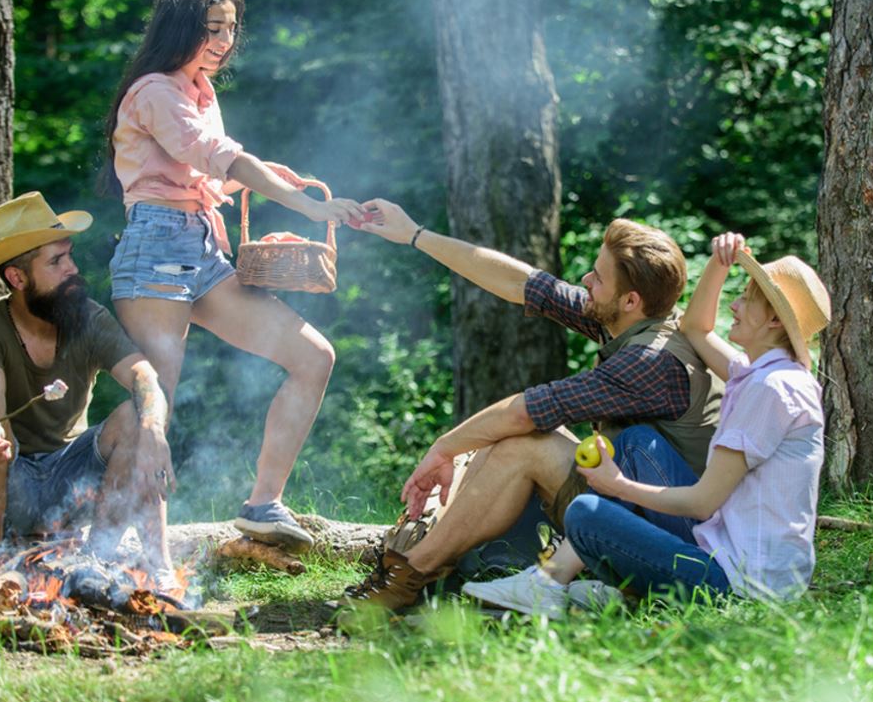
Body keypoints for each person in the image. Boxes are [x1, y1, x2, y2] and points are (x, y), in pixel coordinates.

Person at [339, 199, 723, 612]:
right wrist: (415, 234)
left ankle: (408, 575)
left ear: (630, 300)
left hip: (679, 543)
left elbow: (530, 409)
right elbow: (522, 283)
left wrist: (444, 448)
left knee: (525, 440)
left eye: (598, 276)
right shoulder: (630, 317)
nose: (586, 279)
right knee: (510, 436)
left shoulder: (650, 362)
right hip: (643, 508)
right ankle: (423, 568)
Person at [99, 0, 366, 553]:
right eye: (212, 29)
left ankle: (263, 505)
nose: (223, 41)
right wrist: (299, 200)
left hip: (202, 249)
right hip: (155, 254)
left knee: (313, 356)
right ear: (182, 28)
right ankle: (148, 556)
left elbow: (214, 169)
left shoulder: (201, 91)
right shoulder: (154, 90)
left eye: (230, 30)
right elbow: (217, 155)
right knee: (154, 408)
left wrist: (281, 178)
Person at [464, 233, 831, 611]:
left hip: (738, 585)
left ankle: (551, 582)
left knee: (585, 515)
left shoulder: (770, 390)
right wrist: (719, 263)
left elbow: (703, 502)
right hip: (729, 549)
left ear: (773, 319)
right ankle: (561, 581)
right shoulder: (764, 376)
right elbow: (695, 328)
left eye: (747, 299)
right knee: (638, 441)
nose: (734, 305)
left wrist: (618, 486)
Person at [0, 192, 178, 588]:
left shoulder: (89, 318)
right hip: (6, 482)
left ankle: (106, 563)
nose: (73, 269)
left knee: (137, 414)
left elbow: (145, 378)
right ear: (17, 278)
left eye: (68, 255)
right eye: (56, 262)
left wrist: (154, 428)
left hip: (73, 487)